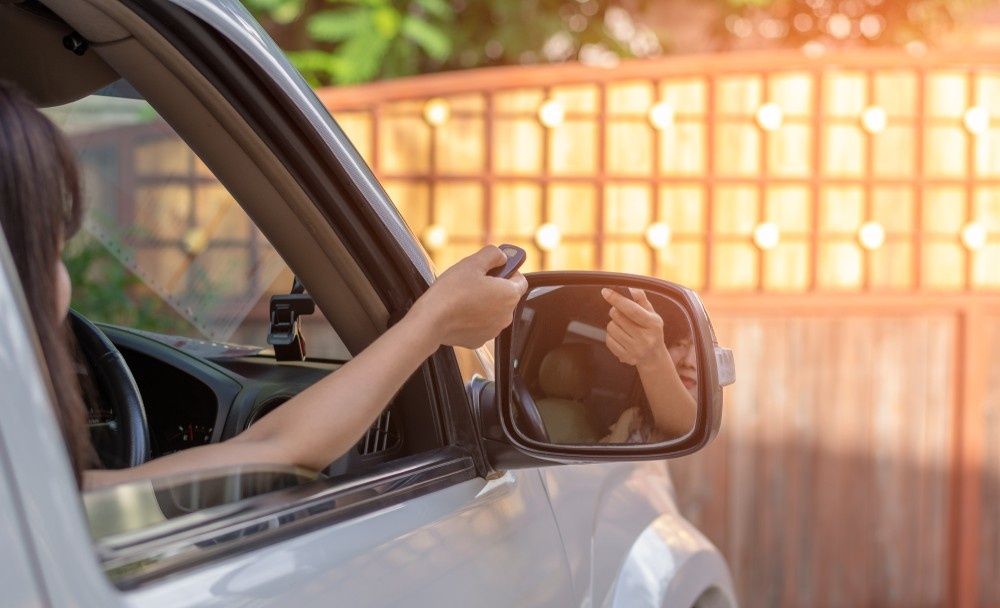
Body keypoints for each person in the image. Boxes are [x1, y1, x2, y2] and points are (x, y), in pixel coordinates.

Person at [0, 80, 527, 491]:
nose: (61, 277)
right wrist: (431, 322)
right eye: (50, 247)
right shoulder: (41, 515)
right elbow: (278, 451)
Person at [599, 287, 698, 443]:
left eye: (699, 351)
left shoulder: (700, 426)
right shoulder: (632, 418)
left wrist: (651, 356)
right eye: (680, 344)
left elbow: (686, 429)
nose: (689, 362)